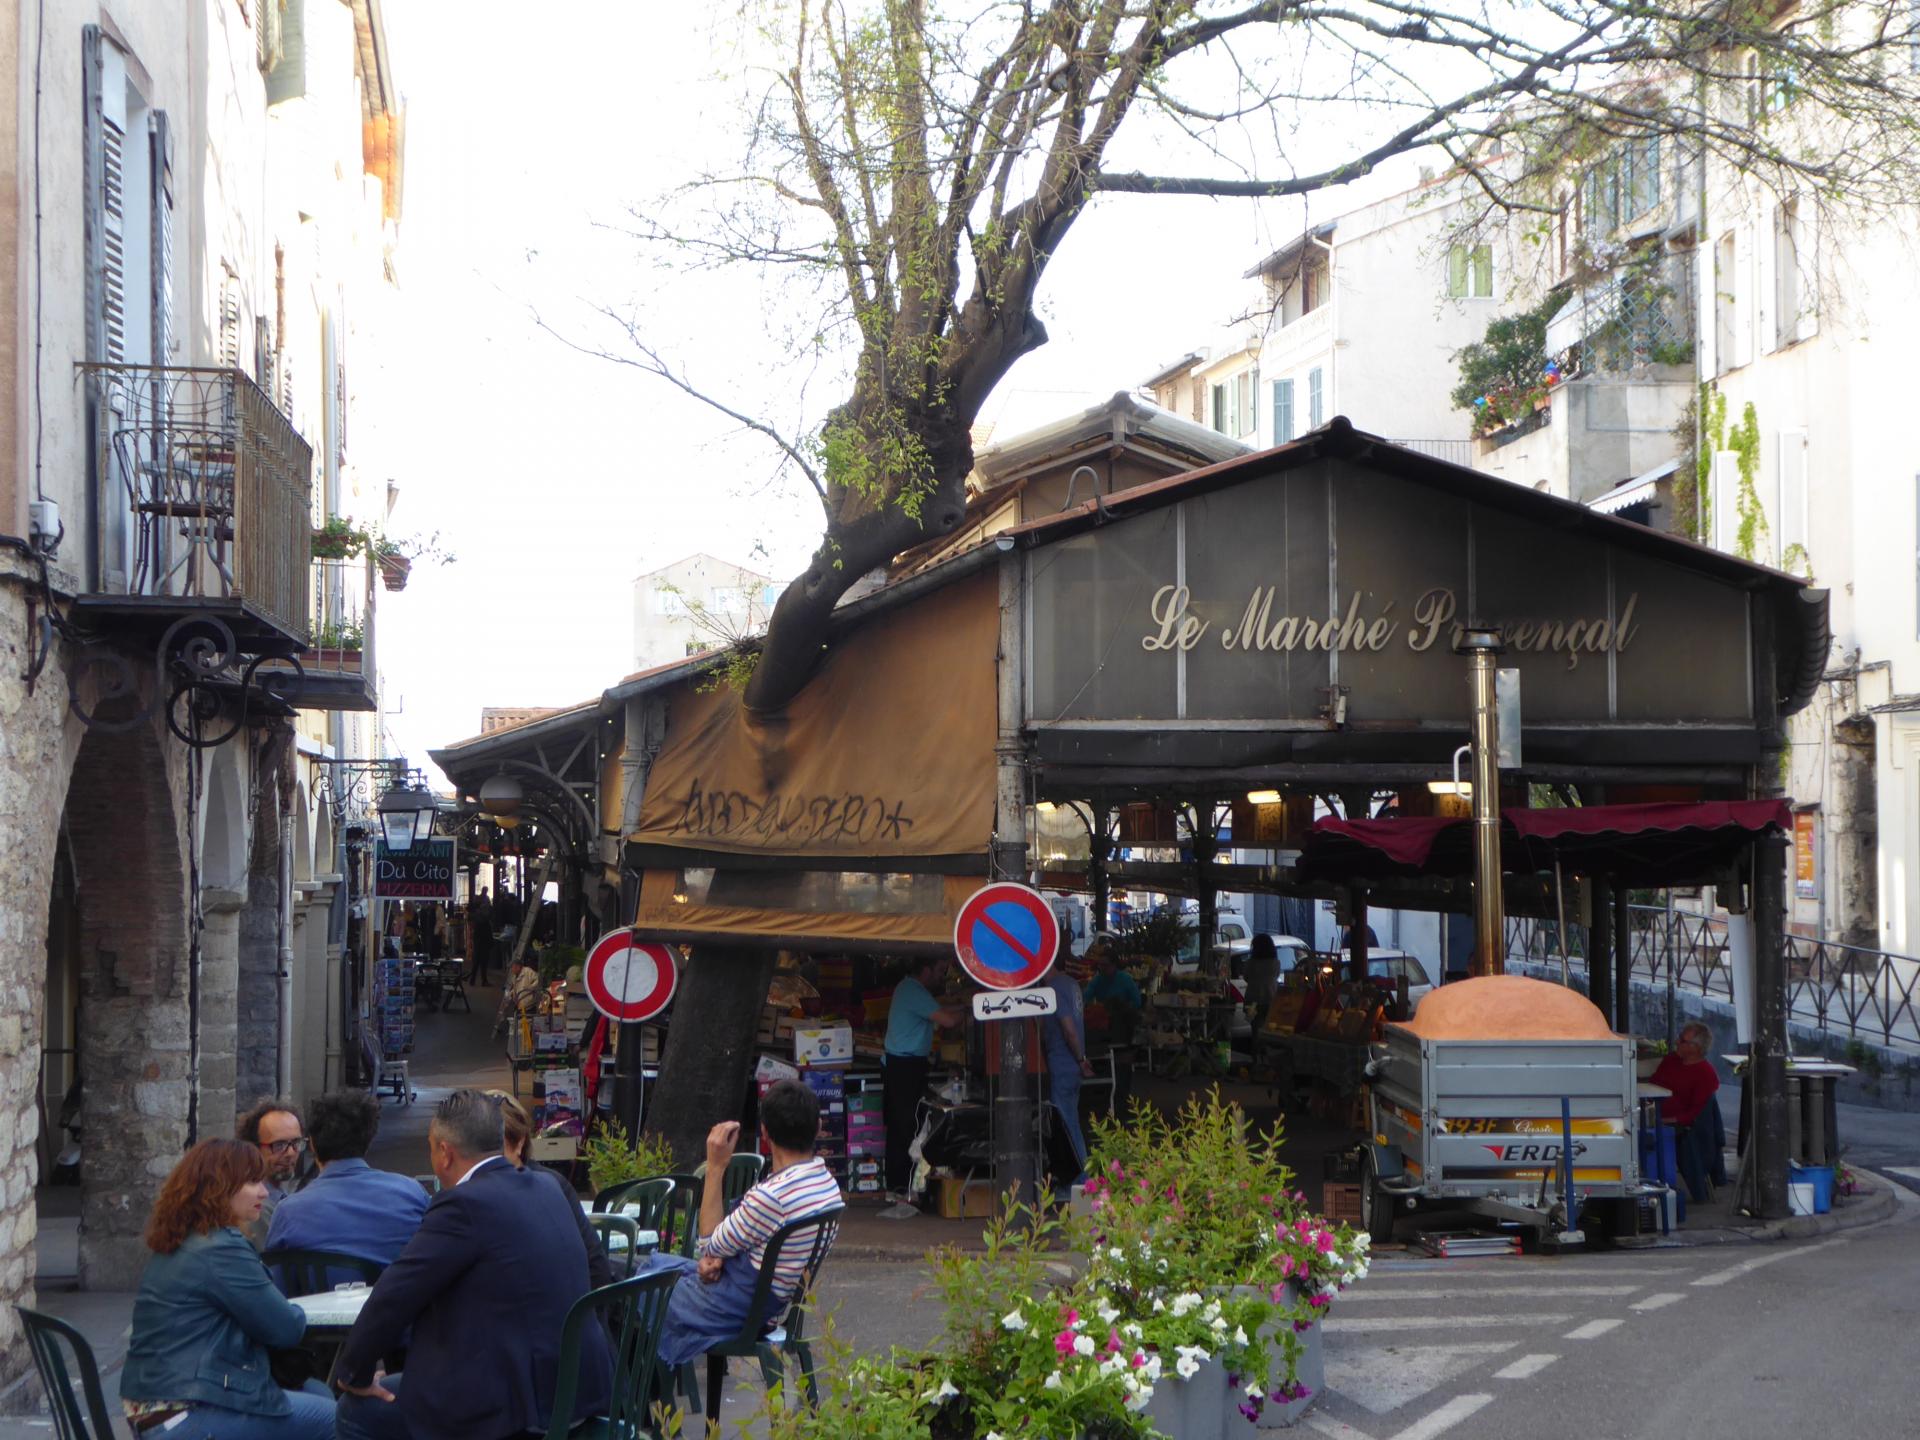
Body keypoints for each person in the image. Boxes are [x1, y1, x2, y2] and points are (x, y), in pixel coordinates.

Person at [332, 1089, 613, 1440]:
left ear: (444, 1152)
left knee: (354, 1411)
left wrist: (352, 1373)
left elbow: (395, 1294)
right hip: (580, 1391)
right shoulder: (548, 1187)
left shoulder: (464, 1205)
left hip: (513, 1406)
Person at [119, 1139, 334, 1439]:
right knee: (336, 1419)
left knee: (315, 1390)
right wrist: (295, 1309)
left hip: (156, 1405)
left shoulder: (185, 1239)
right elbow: (285, 1328)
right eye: (251, 1181)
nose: (262, 1191)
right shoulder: (220, 1248)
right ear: (219, 1188)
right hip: (187, 1413)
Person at [654, 1079, 844, 1368]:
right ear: (818, 1127)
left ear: (764, 1133)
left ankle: (631, 1395)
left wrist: (715, 1167)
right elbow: (722, 1249)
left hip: (733, 1309)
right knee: (648, 1266)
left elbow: (708, 1244)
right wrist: (715, 1258)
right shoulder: (826, 1184)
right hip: (765, 1302)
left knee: (625, 1285)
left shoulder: (772, 1196)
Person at [263, 1091, 429, 1292]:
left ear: (312, 1144)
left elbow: (278, 1287)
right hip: (395, 1317)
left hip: (318, 1321)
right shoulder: (411, 1194)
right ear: (368, 1141)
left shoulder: (288, 1212)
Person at [489, 1089, 614, 1292]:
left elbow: (596, 1268)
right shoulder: (482, 1190)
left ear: (519, 1143)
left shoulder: (546, 1187)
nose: (485, 1161)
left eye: (494, 1149)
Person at [879, 957, 966, 1218]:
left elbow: (942, 1008)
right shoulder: (912, 991)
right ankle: (904, 1187)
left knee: (901, 1125)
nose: (941, 976)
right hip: (904, 1066)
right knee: (908, 1126)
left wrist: (963, 1004)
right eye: (939, 970)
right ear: (925, 969)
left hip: (904, 1064)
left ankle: (899, 1186)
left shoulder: (912, 991)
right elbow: (948, 1021)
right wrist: (975, 1009)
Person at [1650, 1022, 1728, 1201]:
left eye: (1683, 1040)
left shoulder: (1705, 1074)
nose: (1677, 1042)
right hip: (1656, 1112)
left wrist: (1670, 1119)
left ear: (1696, 1048)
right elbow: (1654, 1084)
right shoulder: (1671, 1060)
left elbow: (1697, 1113)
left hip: (1680, 1124)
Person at [1042, 964, 1093, 1181]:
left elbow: (1069, 1029)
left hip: (1063, 1063)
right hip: (1071, 1065)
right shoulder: (1071, 984)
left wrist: (1080, 1058)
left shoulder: (1053, 989)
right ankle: (1079, 1179)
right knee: (1071, 1122)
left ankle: (1081, 1181)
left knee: (1066, 1126)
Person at [238, 1097, 309, 1248]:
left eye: (296, 1143)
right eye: (279, 1145)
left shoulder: (281, 1195)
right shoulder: (255, 1207)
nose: (290, 1152)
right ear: (253, 1148)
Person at [1082, 937, 1141, 1115]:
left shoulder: (1125, 980)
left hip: (1123, 1026)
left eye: (1105, 965)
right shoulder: (1097, 980)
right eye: (1100, 965)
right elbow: (1086, 998)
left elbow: (1136, 1002)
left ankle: (1123, 1098)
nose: (1102, 968)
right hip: (1104, 1027)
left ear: (1114, 965)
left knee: (1123, 1064)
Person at [1243, 933, 1281, 1025]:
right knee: (1269, 1028)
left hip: (1253, 1000)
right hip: (1270, 998)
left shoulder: (1250, 963)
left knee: (1255, 1026)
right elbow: (1276, 976)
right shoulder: (1275, 963)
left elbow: (1246, 977)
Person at [469, 889, 495, 987]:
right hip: (483, 940)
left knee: (476, 960)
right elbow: (488, 918)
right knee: (483, 961)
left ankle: (473, 980)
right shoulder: (483, 916)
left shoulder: (476, 914)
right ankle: (483, 981)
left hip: (478, 939)